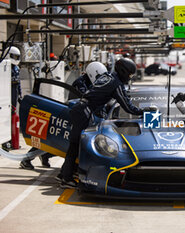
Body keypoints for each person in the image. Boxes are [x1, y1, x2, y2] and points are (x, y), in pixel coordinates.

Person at [60, 58, 156, 188]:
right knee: (77, 146)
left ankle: (64, 174)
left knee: (75, 145)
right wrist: (143, 111)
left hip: (80, 109)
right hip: (84, 112)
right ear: (123, 72)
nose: (129, 78)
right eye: (129, 75)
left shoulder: (107, 77)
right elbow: (128, 107)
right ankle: (66, 178)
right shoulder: (116, 84)